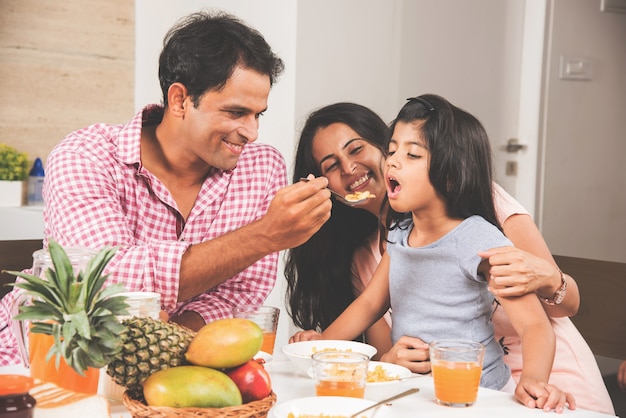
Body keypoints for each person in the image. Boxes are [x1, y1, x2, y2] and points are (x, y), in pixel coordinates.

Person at [0, 10, 332, 366]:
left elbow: (240, 293)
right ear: (179, 100)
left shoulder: (262, 166)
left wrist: (165, 344)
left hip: (172, 367)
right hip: (48, 364)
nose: (252, 132)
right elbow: (108, 283)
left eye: (258, 114)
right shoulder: (86, 155)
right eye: (236, 113)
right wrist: (265, 235)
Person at [285, 101, 614, 414]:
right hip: (428, 395)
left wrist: (533, 380)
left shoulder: (478, 237)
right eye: (394, 150)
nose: (394, 161)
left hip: (486, 395)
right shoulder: (400, 235)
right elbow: (370, 304)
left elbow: (534, 325)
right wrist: (314, 351)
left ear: (449, 174)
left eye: (411, 154)